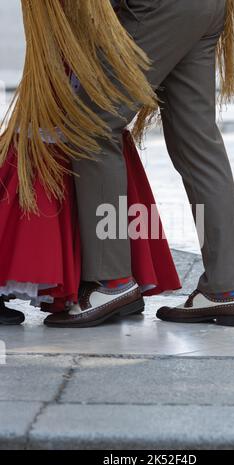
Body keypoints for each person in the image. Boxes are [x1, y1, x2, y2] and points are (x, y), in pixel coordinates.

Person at [0, 0, 180, 326]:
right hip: (74, 32)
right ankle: (109, 283)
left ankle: (109, 283)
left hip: (83, 33)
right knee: (72, 130)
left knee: (84, 132)